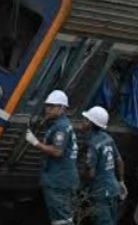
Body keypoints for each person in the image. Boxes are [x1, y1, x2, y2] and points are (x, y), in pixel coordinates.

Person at [25, 90, 79, 225]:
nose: (47, 109)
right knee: (64, 217)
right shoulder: (60, 124)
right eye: (47, 106)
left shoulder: (61, 127)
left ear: (62, 108)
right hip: (61, 178)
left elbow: (57, 151)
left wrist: (35, 143)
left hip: (58, 180)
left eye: (51, 106)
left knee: (61, 220)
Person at [81, 106, 126, 225]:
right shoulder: (108, 139)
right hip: (113, 188)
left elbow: (91, 173)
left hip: (101, 192)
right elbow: (119, 160)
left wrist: (80, 179)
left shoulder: (93, 144)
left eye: (85, 120)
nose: (83, 122)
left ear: (91, 124)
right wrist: (121, 181)